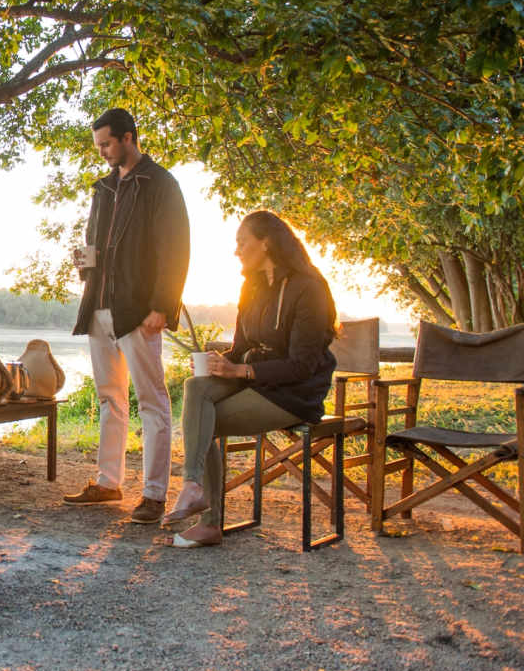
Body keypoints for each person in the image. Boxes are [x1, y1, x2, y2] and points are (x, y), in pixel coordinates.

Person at [162, 210, 338, 547]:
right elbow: (241, 348)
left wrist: (241, 370)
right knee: (196, 386)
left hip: (295, 394)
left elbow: (302, 365)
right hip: (255, 380)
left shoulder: (309, 288)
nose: (236, 250)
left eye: (242, 242)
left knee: (205, 421)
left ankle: (209, 521)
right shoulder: (251, 286)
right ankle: (193, 488)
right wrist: (220, 362)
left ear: (267, 243)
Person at [63, 107, 190, 524]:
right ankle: (108, 482)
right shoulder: (102, 188)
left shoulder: (160, 184)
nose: (101, 152)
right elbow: (92, 240)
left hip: (138, 309)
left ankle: (154, 495)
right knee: (109, 398)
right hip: (99, 305)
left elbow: (176, 248)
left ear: (129, 137)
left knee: (152, 403)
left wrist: (163, 305)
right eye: (98, 145)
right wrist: (84, 262)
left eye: (106, 144)